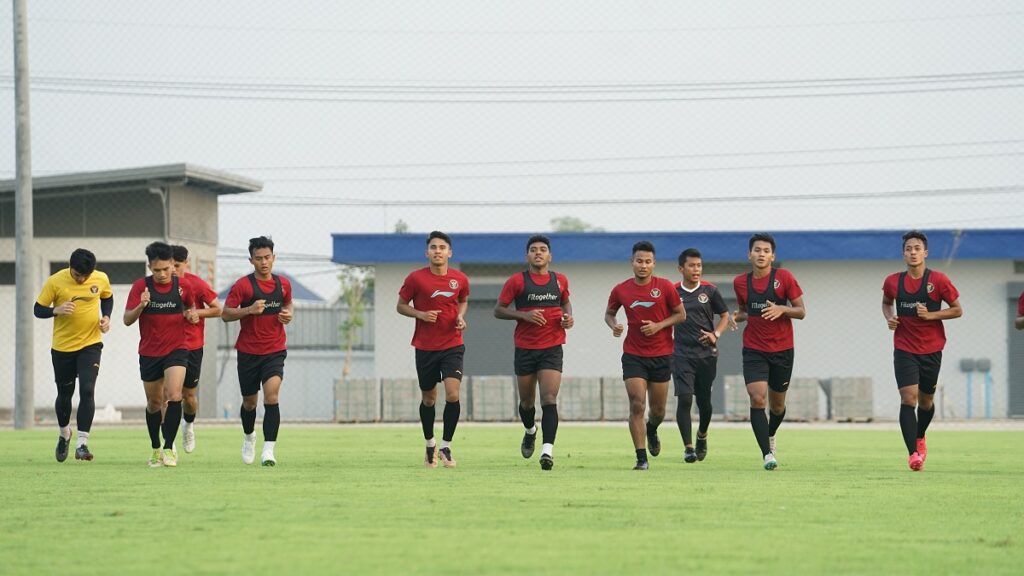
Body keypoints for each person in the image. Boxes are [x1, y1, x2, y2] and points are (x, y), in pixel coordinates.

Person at [882, 230, 962, 472]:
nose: (913, 252)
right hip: (904, 347)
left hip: (932, 348)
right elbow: (887, 303)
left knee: (926, 402)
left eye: (917, 248)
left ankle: (920, 436)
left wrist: (931, 315)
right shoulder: (893, 281)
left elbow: (957, 310)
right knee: (909, 398)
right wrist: (890, 318)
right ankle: (913, 454)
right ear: (903, 253)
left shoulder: (938, 280)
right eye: (909, 248)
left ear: (925, 252)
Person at [494, 235, 573, 470]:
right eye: (533, 250)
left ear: (550, 255)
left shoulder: (560, 281)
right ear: (527, 255)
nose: (538, 253)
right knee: (527, 403)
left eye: (543, 249)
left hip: (552, 347)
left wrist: (568, 317)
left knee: (549, 398)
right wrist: (523, 315)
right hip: (526, 348)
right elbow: (498, 310)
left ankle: (547, 451)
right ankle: (530, 430)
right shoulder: (517, 282)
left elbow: (565, 303)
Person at [605, 241, 686, 470]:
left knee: (658, 411)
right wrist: (614, 325)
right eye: (639, 261)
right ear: (632, 262)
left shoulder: (666, 287)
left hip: (661, 355)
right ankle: (641, 458)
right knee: (637, 404)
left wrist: (659, 326)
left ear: (654, 264)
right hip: (634, 355)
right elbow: (609, 313)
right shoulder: (621, 289)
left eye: (648, 261)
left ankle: (652, 429)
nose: (643, 265)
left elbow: (681, 315)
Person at [732, 233, 805, 471]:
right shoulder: (740, 282)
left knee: (777, 407)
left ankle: (771, 433)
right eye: (757, 250)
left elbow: (801, 311)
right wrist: (735, 316)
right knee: (757, 398)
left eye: (765, 251)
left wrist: (782, 309)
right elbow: (745, 311)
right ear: (749, 254)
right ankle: (767, 454)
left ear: (772, 255)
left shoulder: (784, 277)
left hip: (782, 349)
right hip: (754, 349)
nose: (761, 254)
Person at [397, 231, 469, 468]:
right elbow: (401, 306)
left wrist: (459, 317)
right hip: (425, 346)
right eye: (433, 247)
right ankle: (430, 444)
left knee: (453, 394)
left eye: (442, 247)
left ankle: (446, 447)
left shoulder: (459, 278)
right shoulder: (416, 279)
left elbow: (462, 300)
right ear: (427, 252)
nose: (438, 251)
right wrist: (420, 314)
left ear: (450, 252)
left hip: (453, 344)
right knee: (429, 399)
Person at [34, 249, 113, 463]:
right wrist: (55, 310)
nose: (82, 280)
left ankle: (82, 444)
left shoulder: (100, 278)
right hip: (62, 348)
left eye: (85, 276)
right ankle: (64, 434)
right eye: (78, 275)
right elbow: (37, 309)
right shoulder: (55, 281)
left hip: (90, 344)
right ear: (70, 267)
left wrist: (106, 317)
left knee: (87, 390)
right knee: (64, 394)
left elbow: (107, 297)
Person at [124, 241, 198, 468]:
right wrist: (141, 306)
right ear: (150, 267)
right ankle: (156, 447)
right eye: (157, 270)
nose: (163, 274)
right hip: (149, 352)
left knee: (174, 395)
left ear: (172, 267)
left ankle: (169, 448)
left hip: (177, 349)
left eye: (166, 269)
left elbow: (190, 309)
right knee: (154, 402)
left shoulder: (183, 287)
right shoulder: (140, 287)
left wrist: (192, 316)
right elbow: (127, 319)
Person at [222, 236, 294, 466]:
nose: (264, 262)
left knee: (272, 395)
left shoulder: (283, 284)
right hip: (248, 352)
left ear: (274, 257)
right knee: (250, 403)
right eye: (259, 258)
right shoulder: (243, 286)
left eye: (267, 257)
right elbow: (226, 313)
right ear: (251, 260)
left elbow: (288, 304)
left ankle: (269, 451)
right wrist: (249, 310)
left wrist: (288, 314)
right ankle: (249, 437)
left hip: (274, 349)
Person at [673, 248, 731, 463]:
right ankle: (688, 448)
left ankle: (702, 436)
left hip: (706, 355)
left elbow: (725, 315)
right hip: (680, 354)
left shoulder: (711, 291)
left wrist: (716, 334)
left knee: (704, 402)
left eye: (699, 265)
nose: (696, 269)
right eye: (691, 265)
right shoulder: (672, 291)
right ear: (681, 268)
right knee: (685, 399)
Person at [171, 245, 222, 454]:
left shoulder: (196, 284)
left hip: (192, 346)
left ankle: (189, 425)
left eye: (176, 265)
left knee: (188, 397)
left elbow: (218, 309)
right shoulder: (157, 286)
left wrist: (197, 313)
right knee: (169, 395)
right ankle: (168, 442)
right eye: (168, 265)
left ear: (186, 263)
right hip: (167, 346)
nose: (172, 269)